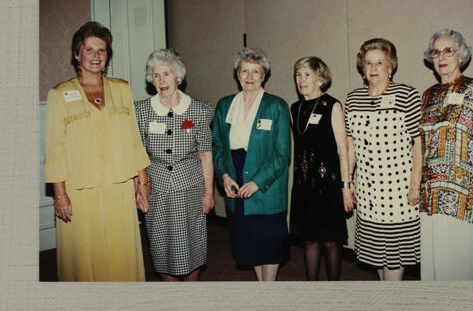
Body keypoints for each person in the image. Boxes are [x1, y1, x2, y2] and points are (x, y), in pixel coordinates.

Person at [44, 21, 151, 281]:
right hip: (79, 190)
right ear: (76, 54)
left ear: (107, 56)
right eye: (89, 49)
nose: (95, 56)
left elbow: (133, 139)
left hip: (118, 187)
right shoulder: (60, 94)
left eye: (101, 50)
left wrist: (142, 182)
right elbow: (55, 148)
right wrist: (59, 196)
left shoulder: (121, 88)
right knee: (84, 259)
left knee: (119, 254)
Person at [419, 29, 473, 280]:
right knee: (433, 271)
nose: (441, 56)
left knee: (458, 270)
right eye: (436, 52)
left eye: (448, 50)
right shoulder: (428, 95)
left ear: (461, 56)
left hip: (464, 197)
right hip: (431, 197)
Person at [345, 38, 422, 281]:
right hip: (368, 192)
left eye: (380, 62)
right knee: (377, 254)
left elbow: (420, 144)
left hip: (398, 193)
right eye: (368, 63)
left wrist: (415, 185)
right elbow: (350, 147)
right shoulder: (353, 99)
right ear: (362, 67)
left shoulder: (406, 95)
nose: (374, 68)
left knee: (395, 256)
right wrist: (347, 183)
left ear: (391, 66)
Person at [134, 49, 215, 281]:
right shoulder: (141, 111)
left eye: (166, 74)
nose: (161, 81)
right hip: (156, 187)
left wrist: (209, 193)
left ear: (178, 76)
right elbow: (136, 153)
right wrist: (138, 188)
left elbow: (206, 154)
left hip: (190, 186)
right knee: (160, 243)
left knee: (192, 242)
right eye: (156, 75)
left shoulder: (198, 110)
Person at [212, 48, 291, 281]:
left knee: (269, 243)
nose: (250, 76)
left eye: (255, 71)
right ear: (237, 74)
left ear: (264, 75)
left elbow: (282, 153)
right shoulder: (225, 105)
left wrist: (257, 182)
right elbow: (217, 146)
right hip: (235, 178)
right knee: (250, 244)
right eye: (244, 70)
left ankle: (269, 289)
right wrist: (224, 175)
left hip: (267, 184)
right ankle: (262, 287)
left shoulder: (276, 106)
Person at [289, 57, 353, 281]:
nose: (301, 80)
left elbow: (343, 150)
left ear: (320, 79)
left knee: (329, 242)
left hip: (328, 185)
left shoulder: (332, 105)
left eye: (307, 75)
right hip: (304, 186)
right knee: (309, 239)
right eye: (298, 74)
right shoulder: (295, 108)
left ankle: (334, 292)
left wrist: (346, 186)